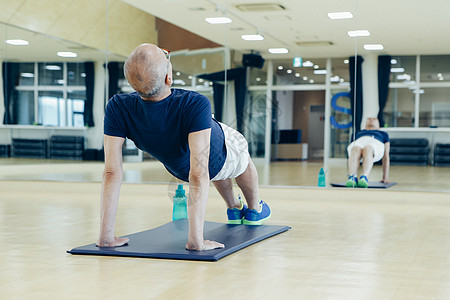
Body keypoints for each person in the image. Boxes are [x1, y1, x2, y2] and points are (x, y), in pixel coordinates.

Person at [97, 43, 271, 251]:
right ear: (168, 78)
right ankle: (254, 210)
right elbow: (199, 172)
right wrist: (196, 241)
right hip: (213, 159)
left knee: (214, 158)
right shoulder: (195, 103)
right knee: (242, 153)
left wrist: (106, 237)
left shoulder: (117, 106)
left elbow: (111, 172)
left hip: (180, 167)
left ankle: (234, 207)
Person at [345, 117, 390, 188]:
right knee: (355, 148)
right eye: (369, 119)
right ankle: (352, 176)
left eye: (374, 119)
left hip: (375, 143)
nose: (371, 120)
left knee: (368, 148)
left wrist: (385, 178)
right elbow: (352, 157)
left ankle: (364, 177)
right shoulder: (357, 133)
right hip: (360, 142)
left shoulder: (383, 134)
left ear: (378, 124)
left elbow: (386, 157)